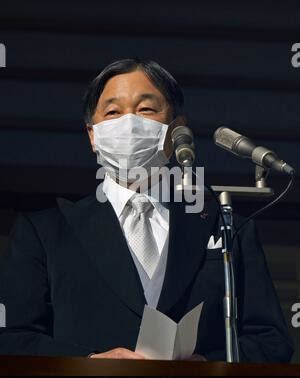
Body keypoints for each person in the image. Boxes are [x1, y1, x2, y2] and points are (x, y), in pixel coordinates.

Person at [0, 59, 293, 362]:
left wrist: (209, 366)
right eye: (113, 112)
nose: (129, 123)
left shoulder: (227, 226)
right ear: (92, 136)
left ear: (177, 129)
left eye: (146, 109)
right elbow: (12, 340)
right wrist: (89, 363)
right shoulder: (46, 232)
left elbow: (271, 341)